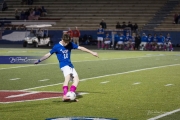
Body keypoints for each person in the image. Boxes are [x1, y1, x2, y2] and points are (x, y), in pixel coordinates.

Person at [34, 34, 99, 101]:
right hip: (63, 65)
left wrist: (92, 52)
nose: (67, 44)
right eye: (65, 42)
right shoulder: (57, 47)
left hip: (70, 65)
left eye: (68, 42)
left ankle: (70, 95)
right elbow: (48, 54)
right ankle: (65, 95)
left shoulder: (70, 44)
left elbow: (81, 48)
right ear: (62, 40)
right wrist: (39, 60)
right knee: (67, 78)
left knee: (76, 80)